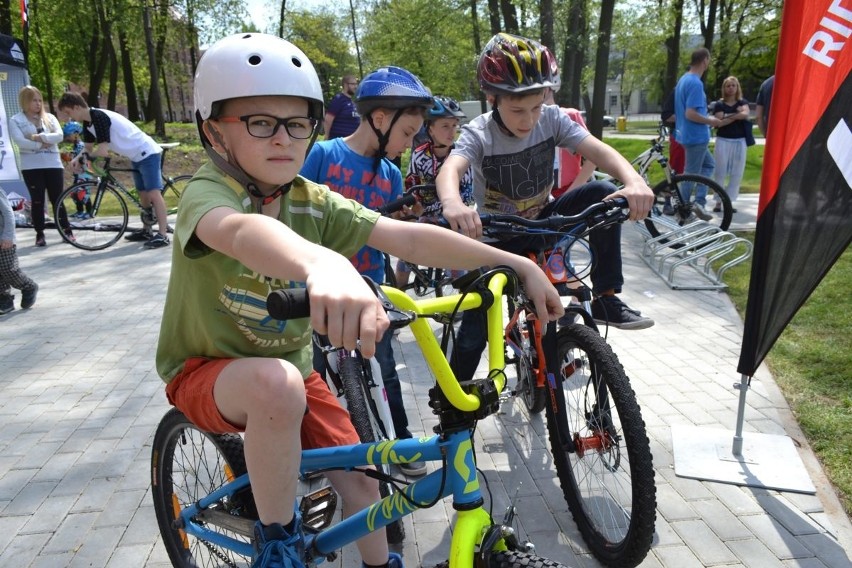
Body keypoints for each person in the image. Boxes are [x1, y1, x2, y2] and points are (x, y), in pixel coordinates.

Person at [156, 33, 561, 568]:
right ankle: (276, 546)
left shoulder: (310, 199)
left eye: (298, 124)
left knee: (366, 482)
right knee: (275, 387)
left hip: (294, 373)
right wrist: (322, 263)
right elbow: (236, 232)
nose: (284, 139)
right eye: (260, 122)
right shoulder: (210, 193)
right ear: (213, 131)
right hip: (206, 369)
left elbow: (406, 237)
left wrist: (516, 263)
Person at [437, 32, 655, 383]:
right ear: (492, 99)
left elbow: (598, 150)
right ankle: (454, 410)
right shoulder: (479, 133)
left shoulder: (552, 119)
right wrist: (453, 204)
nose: (529, 120)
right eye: (517, 110)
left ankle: (606, 297)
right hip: (496, 239)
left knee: (602, 190)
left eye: (536, 106)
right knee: (475, 327)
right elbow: (451, 168)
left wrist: (634, 182)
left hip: (542, 223)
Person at [300, 66, 435, 478]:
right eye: (407, 133)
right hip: (316, 288)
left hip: (367, 286)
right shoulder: (323, 155)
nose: (409, 145)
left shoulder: (391, 174)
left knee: (386, 370)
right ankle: (311, 451)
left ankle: (400, 442)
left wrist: (406, 219)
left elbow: (385, 234)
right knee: (313, 376)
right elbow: (296, 216)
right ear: (379, 119)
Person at [56, 92, 170, 249]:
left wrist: (86, 159)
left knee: (153, 193)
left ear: (76, 107)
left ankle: (163, 235)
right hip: (136, 155)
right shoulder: (88, 123)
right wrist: (77, 159)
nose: (69, 117)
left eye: (69, 113)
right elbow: (87, 148)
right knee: (142, 193)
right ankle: (147, 230)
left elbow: (102, 152)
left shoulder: (99, 117)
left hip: (147, 152)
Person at [394, 95, 475, 287]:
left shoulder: (460, 155)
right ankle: (398, 294)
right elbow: (412, 185)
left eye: (455, 126)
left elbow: (468, 192)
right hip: (427, 214)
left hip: (454, 218)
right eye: (445, 126)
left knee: (456, 261)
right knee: (405, 255)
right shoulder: (420, 154)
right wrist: (415, 206)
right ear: (430, 128)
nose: (452, 132)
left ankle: (462, 300)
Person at [673, 47, 736, 219]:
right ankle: (684, 210)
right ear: (705, 61)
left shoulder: (683, 80)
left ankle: (699, 203)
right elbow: (690, 113)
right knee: (690, 174)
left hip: (686, 134)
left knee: (708, 165)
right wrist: (712, 121)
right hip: (695, 136)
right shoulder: (694, 83)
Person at [9, 85, 73, 247]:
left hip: (53, 164)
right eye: (34, 100)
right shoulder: (16, 120)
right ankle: (40, 234)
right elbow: (20, 142)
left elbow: (58, 136)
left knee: (57, 199)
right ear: (25, 102)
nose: (38, 104)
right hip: (31, 167)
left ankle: (67, 231)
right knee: (37, 201)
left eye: (39, 100)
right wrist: (41, 145)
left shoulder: (50, 117)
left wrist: (39, 137)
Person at [542, 89, 596, 198]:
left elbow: (593, 158)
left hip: (570, 192)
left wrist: (570, 193)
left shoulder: (570, 116)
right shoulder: (528, 120)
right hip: (538, 198)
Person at [712, 76, 750, 212]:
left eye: (733, 85)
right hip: (723, 141)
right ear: (724, 88)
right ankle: (718, 202)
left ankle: (730, 201)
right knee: (720, 172)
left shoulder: (742, 102)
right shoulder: (719, 104)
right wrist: (736, 114)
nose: (731, 88)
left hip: (739, 141)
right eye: (728, 86)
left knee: (736, 173)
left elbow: (745, 114)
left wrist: (728, 116)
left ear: (737, 87)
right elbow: (719, 121)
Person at [0, 187, 39, 314]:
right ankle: (4, 299)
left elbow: (8, 213)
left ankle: (28, 286)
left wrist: (8, 236)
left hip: (4, 240)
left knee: (8, 269)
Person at [61, 121, 94, 218]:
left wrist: (70, 158)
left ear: (76, 134)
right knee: (75, 193)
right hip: (78, 174)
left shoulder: (81, 146)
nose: (67, 138)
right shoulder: (76, 146)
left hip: (84, 174)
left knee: (83, 193)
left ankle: (89, 212)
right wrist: (68, 158)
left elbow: (82, 159)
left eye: (68, 135)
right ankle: (80, 211)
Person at [660, 89, 685, 216]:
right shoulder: (677, 92)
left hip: (697, 137)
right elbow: (667, 116)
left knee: (705, 168)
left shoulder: (698, 91)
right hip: (680, 136)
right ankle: (668, 201)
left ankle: (695, 203)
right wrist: (689, 116)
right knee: (675, 169)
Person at [323, 74, 360, 139]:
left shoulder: (353, 102)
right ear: (345, 85)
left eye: (356, 84)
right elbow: (327, 120)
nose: (356, 86)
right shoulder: (338, 100)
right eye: (353, 84)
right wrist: (326, 137)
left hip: (352, 143)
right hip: (338, 143)